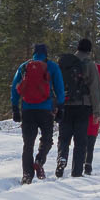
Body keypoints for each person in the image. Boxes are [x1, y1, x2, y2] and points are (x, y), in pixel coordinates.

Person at [10, 42, 65, 184]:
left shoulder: (24, 67)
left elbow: (15, 88)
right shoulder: (52, 66)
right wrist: (61, 106)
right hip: (46, 110)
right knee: (47, 139)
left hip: (27, 109)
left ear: (33, 53)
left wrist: (15, 107)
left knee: (28, 144)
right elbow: (59, 88)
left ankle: (27, 175)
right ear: (46, 53)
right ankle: (39, 161)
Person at [55, 38, 100, 178]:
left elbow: (57, 84)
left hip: (65, 105)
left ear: (77, 48)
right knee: (80, 141)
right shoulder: (90, 65)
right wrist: (97, 111)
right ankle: (76, 172)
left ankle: (62, 157)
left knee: (64, 137)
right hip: (82, 106)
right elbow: (95, 89)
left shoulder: (65, 63)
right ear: (89, 50)